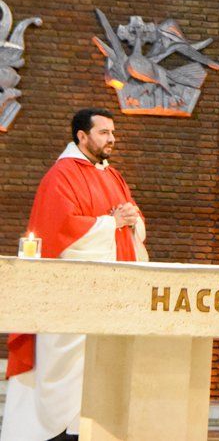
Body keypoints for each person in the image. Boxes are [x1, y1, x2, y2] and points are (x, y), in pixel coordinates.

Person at [2, 108, 148, 441]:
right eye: (103, 132)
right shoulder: (61, 175)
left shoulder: (112, 175)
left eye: (113, 132)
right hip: (74, 298)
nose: (111, 139)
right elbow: (61, 231)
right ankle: (54, 430)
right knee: (68, 370)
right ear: (81, 136)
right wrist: (113, 222)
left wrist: (129, 218)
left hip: (112, 295)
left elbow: (133, 221)